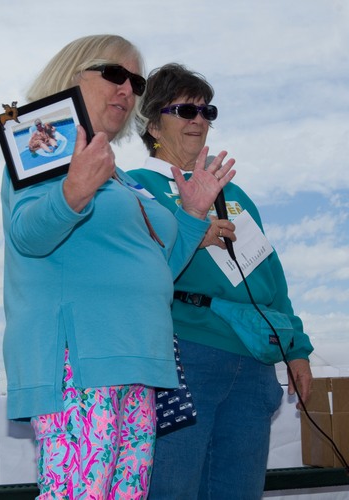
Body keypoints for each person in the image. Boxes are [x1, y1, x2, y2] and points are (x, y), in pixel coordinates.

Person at [0, 38, 235, 499]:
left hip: (137, 361)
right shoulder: (43, 146)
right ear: (71, 75)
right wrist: (73, 192)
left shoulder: (119, 177)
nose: (128, 89)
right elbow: (27, 236)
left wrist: (191, 215)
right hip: (82, 361)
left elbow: (159, 270)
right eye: (114, 74)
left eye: (137, 83)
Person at [128, 63, 314, 500]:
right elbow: (136, 272)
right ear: (152, 124)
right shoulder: (135, 188)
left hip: (253, 359)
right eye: (184, 110)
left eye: (206, 111)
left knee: (240, 491)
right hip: (184, 354)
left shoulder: (236, 194)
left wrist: (297, 349)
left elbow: (271, 278)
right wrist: (190, 227)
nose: (199, 119)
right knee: (172, 489)